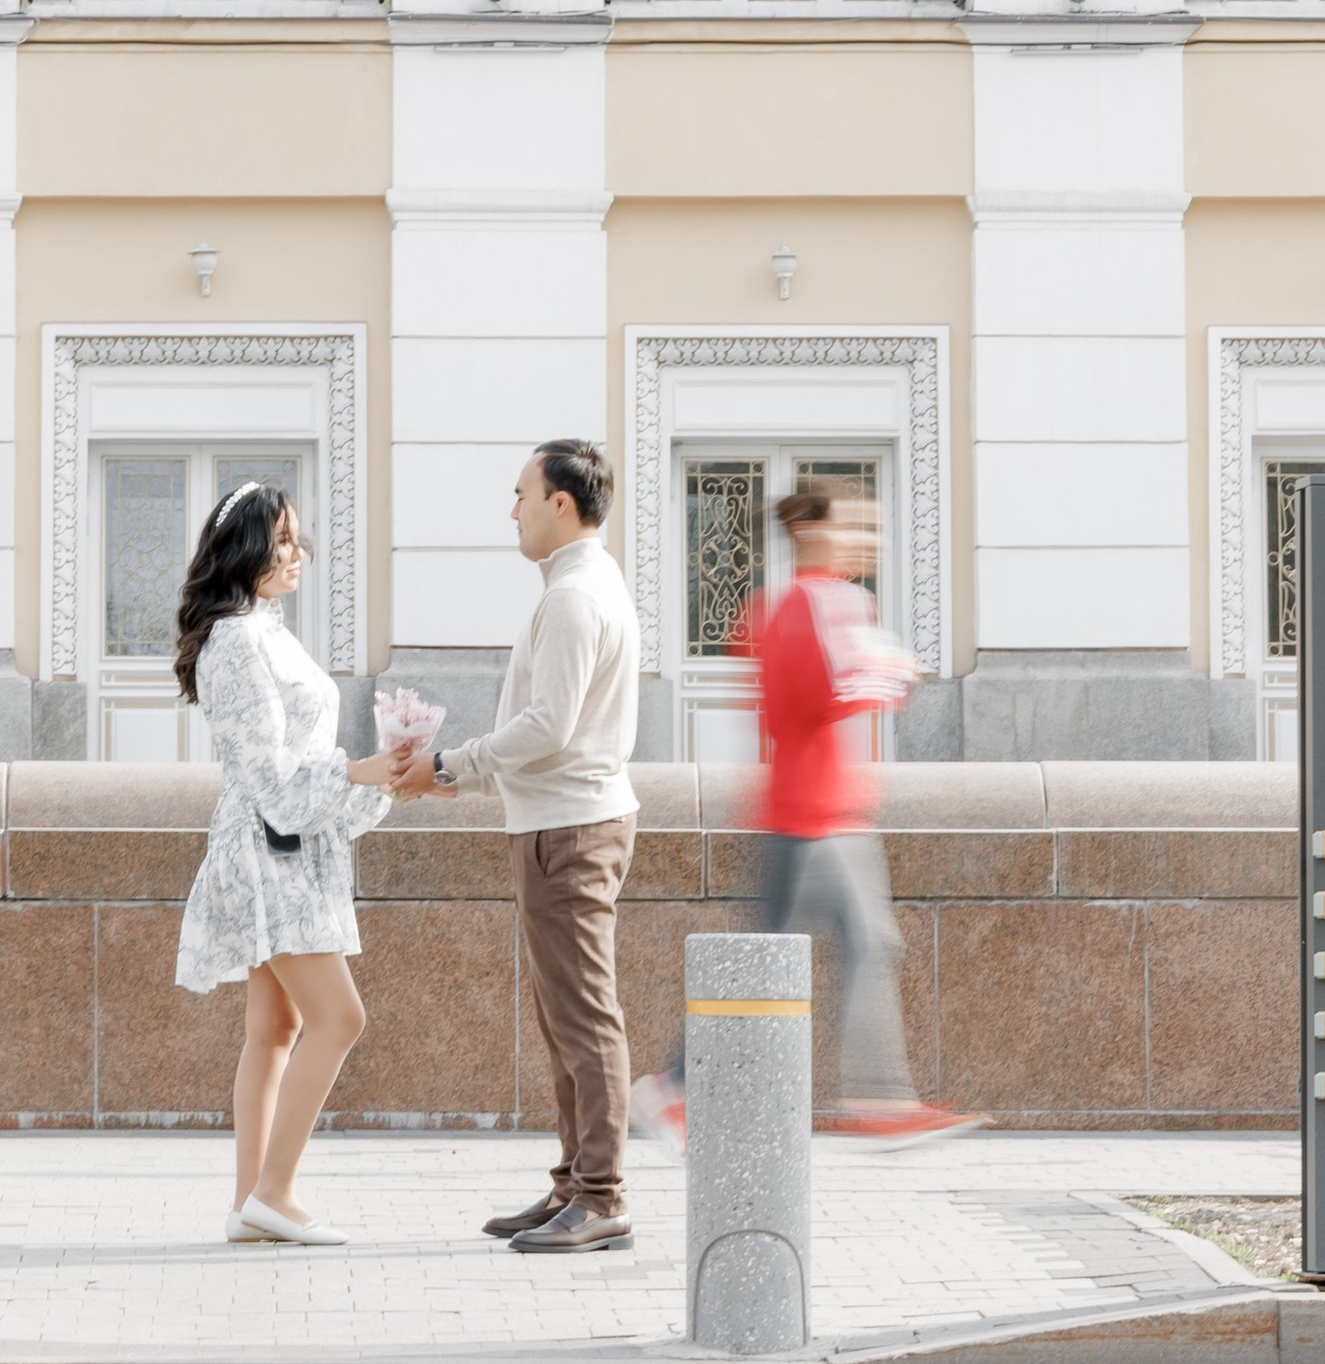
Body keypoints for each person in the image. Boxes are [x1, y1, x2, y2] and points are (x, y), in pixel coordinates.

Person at [633, 493, 985, 1153]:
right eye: (855, 525)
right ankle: (875, 1100)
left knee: (783, 957)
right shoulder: (805, 605)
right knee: (839, 950)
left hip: (821, 809)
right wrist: (885, 672)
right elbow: (810, 698)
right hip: (810, 814)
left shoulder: (810, 605)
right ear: (810, 531)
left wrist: (881, 673)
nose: (868, 539)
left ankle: (676, 1086)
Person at [393, 439, 642, 1255]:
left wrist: (451, 766)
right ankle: (574, 1184)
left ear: (561, 504)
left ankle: (600, 1195)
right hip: (561, 822)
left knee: (584, 1018)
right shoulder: (583, 586)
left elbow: (550, 726)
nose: (513, 511)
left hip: (569, 827)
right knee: (564, 1016)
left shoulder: (574, 597)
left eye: (521, 495)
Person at [175, 480, 410, 1248]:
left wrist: (373, 781)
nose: (297, 552)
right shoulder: (239, 639)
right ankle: (273, 1192)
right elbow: (272, 781)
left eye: (298, 538)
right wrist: (368, 773)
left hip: (288, 849)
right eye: (282, 540)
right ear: (244, 550)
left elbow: (296, 768)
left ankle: (253, 1200)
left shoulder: (260, 629)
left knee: (274, 1026)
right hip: (270, 854)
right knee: (339, 1018)